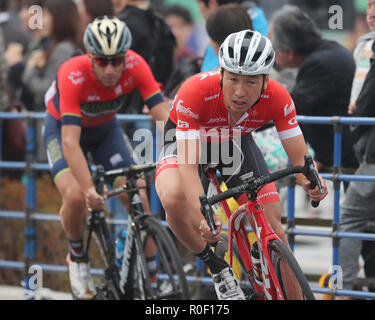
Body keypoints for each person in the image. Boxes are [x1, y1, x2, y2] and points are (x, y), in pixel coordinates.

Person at [155, 29, 328, 300]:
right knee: (173, 198)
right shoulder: (196, 91)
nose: (239, 92)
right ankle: (216, 267)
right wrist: (203, 217)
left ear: (265, 80)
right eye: (233, 79)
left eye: (250, 82)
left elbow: (300, 159)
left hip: (233, 141)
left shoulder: (278, 96)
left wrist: (310, 180)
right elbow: (188, 167)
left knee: (275, 227)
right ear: (221, 73)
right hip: (186, 141)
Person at [43, 16, 169, 300]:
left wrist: (186, 151)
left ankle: (152, 280)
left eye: (117, 60)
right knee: (75, 196)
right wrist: (89, 190)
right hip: (63, 131)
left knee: (139, 198)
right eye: (102, 61)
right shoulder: (71, 73)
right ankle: (78, 257)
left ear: (126, 56)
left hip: (105, 131)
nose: (111, 69)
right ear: (90, 57)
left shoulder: (136, 65)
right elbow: (70, 143)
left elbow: (162, 114)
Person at [270, 5, 359, 176]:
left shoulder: (320, 64)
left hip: (346, 160)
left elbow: (289, 106)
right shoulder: (329, 51)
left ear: (288, 53)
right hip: (338, 156)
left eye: (273, 48)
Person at [337, 0, 375, 299]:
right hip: (362, 147)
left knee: (348, 219)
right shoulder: (363, 45)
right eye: (371, 4)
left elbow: (363, 101)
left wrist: (358, 110)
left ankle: (343, 290)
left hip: (370, 153)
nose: (372, 11)